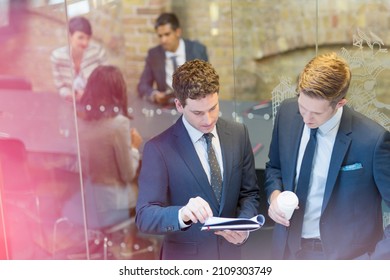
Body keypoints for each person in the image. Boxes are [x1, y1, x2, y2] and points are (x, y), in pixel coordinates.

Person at [265, 52, 390, 260]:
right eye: (302, 107)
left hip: (345, 260)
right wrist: (274, 196)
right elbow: (275, 167)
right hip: (286, 251)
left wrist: (372, 264)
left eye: (316, 113)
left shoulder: (373, 141)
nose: (306, 118)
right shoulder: (287, 113)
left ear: (340, 103)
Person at [136, 59, 260, 260]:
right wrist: (182, 214)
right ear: (179, 105)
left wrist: (243, 227)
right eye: (198, 112)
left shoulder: (238, 134)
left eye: (213, 108)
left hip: (231, 258)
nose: (208, 119)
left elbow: (249, 194)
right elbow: (144, 216)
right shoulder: (158, 149)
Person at [62, 65, 142, 229]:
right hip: (113, 206)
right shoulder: (118, 125)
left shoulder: (79, 121)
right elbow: (127, 175)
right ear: (117, 92)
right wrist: (134, 147)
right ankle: (131, 243)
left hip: (88, 200)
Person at [137, 12, 208, 106]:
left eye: (167, 34)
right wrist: (154, 95)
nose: (163, 40)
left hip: (193, 106)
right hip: (166, 107)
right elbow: (142, 85)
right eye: (160, 36)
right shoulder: (154, 54)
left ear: (178, 32)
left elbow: (206, 83)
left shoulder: (197, 50)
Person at [51, 16, 107, 101]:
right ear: (69, 36)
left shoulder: (98, 52)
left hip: (96, 101)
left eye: (88, 38)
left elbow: (107, 82)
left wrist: (89, 94)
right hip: (71, 103)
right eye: (80, 37)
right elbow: (60, 86)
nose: (85, 42)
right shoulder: (57, 57)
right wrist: (72, 95)